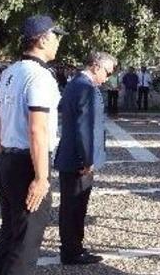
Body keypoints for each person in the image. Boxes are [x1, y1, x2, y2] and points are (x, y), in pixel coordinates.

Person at [0, 15, 65, 275]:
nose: (58, 42)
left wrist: (3, 154)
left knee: (10, 235)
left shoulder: (10, 72)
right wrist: (41, 177)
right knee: (25, 244)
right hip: (27, 163)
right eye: (56, 36)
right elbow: (38, 128)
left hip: (9, 161)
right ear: (43, 38)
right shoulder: (40, 76)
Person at [54, 52, 116, 265]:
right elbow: (85, 127)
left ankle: (71, 247)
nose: (107, 78)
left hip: (72, 156)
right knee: (75, 207)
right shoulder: (85, 88)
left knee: (71, 206)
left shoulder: (75, 83)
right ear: (96, 66)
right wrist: (87, 160)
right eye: (107, 72)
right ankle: (72, 251)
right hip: (78, 160)